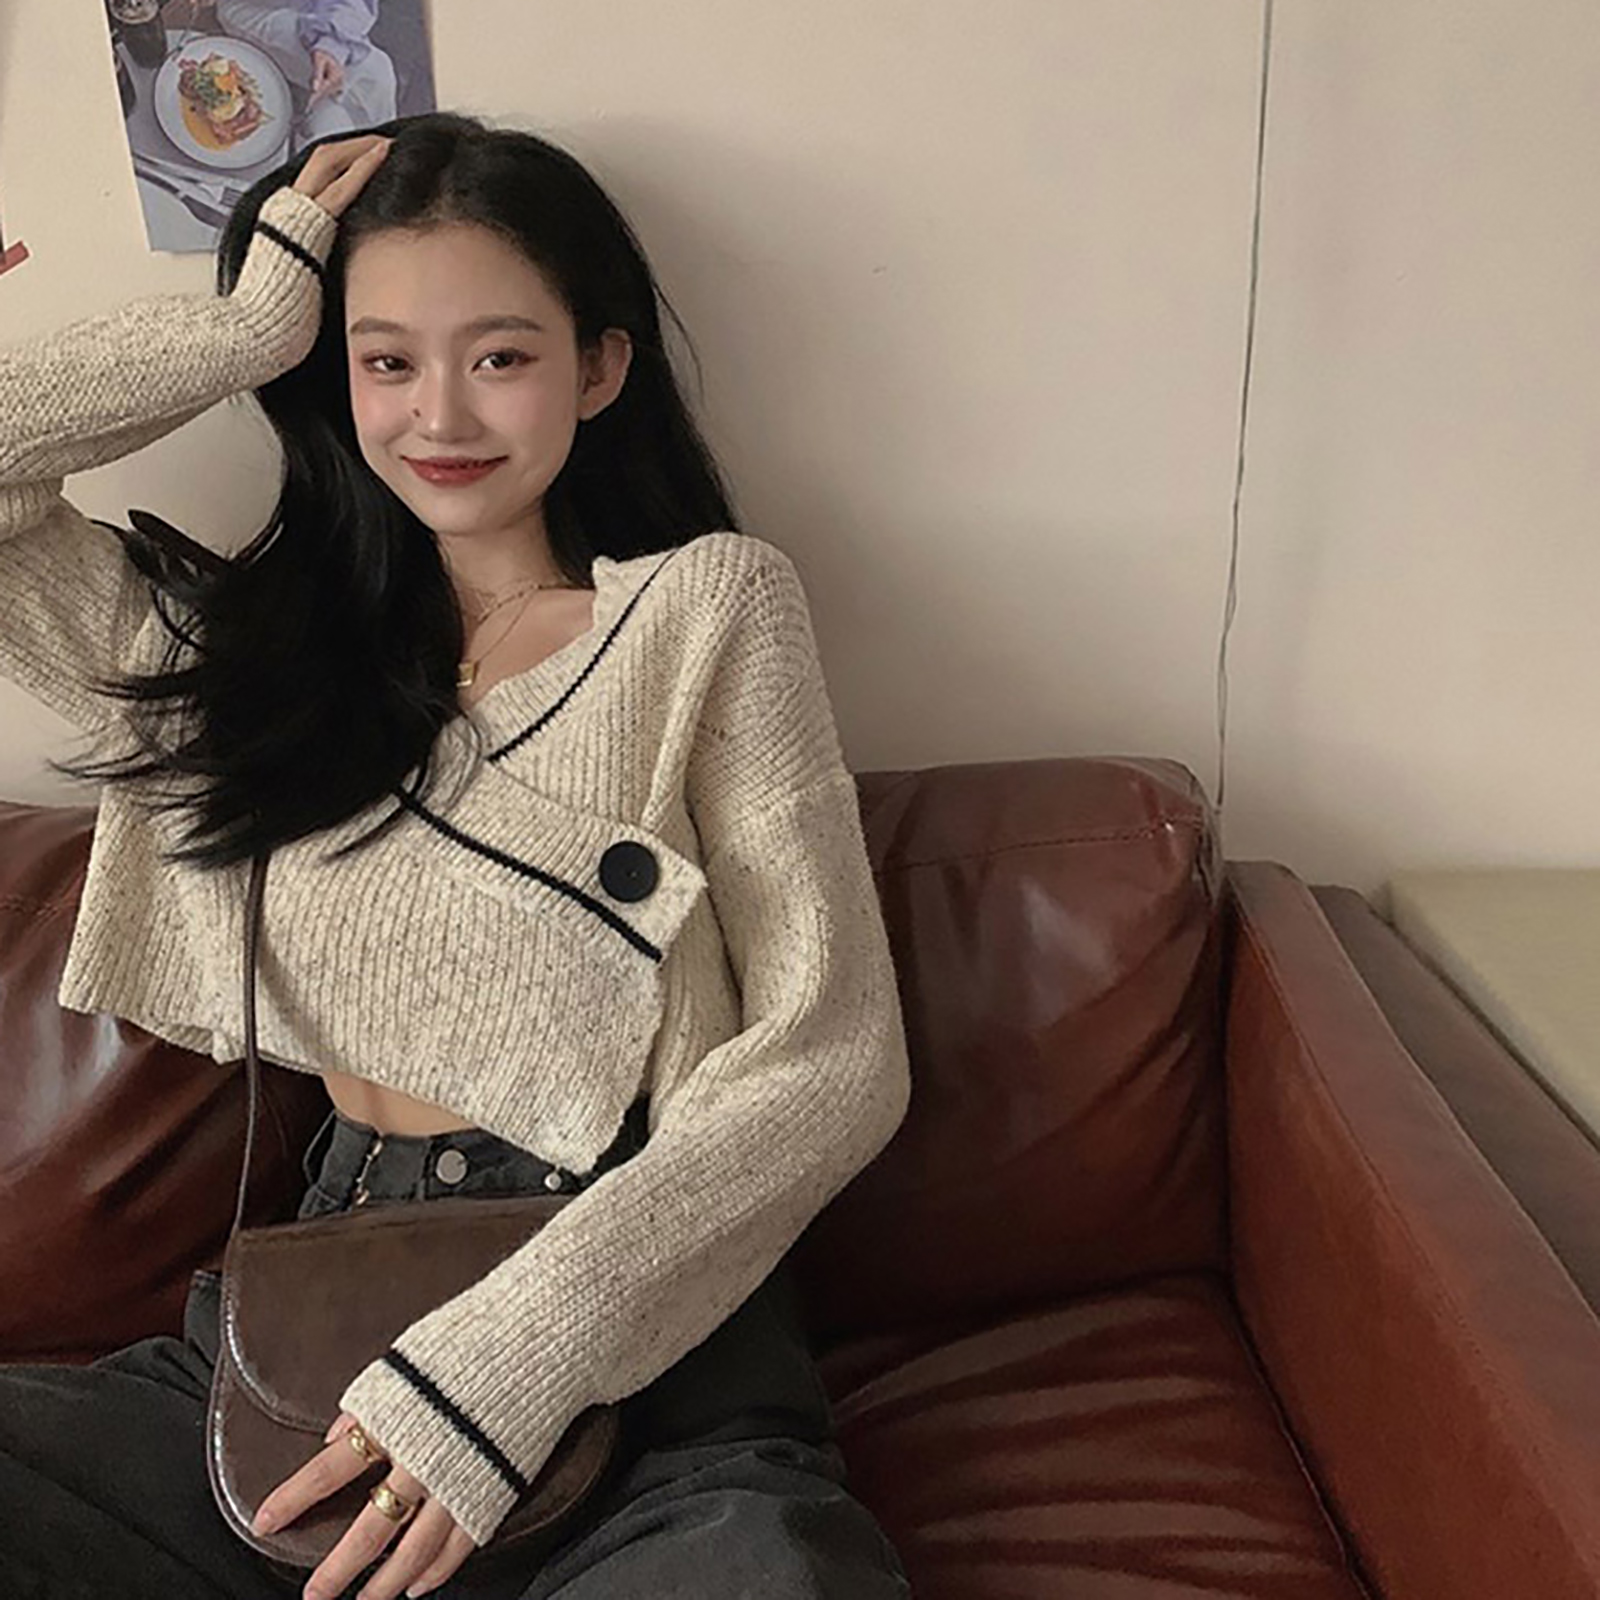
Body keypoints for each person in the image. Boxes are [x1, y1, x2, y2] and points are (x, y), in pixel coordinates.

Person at [0, 113, 913, 1599]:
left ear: (598, 369)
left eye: (498, 355)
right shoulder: (242, 666)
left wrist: (505, 1367)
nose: (441, 412)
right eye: (383, 361)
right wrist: (242, 331)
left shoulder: (702, 613)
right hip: (322, 1317)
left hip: (634, 1320)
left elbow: (838, 1053)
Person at [216, 0, 399, 152]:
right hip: (254, 9)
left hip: (327, 13)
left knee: (364, 77)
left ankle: (379, 156)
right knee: (371, 71)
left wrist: (332, 42)